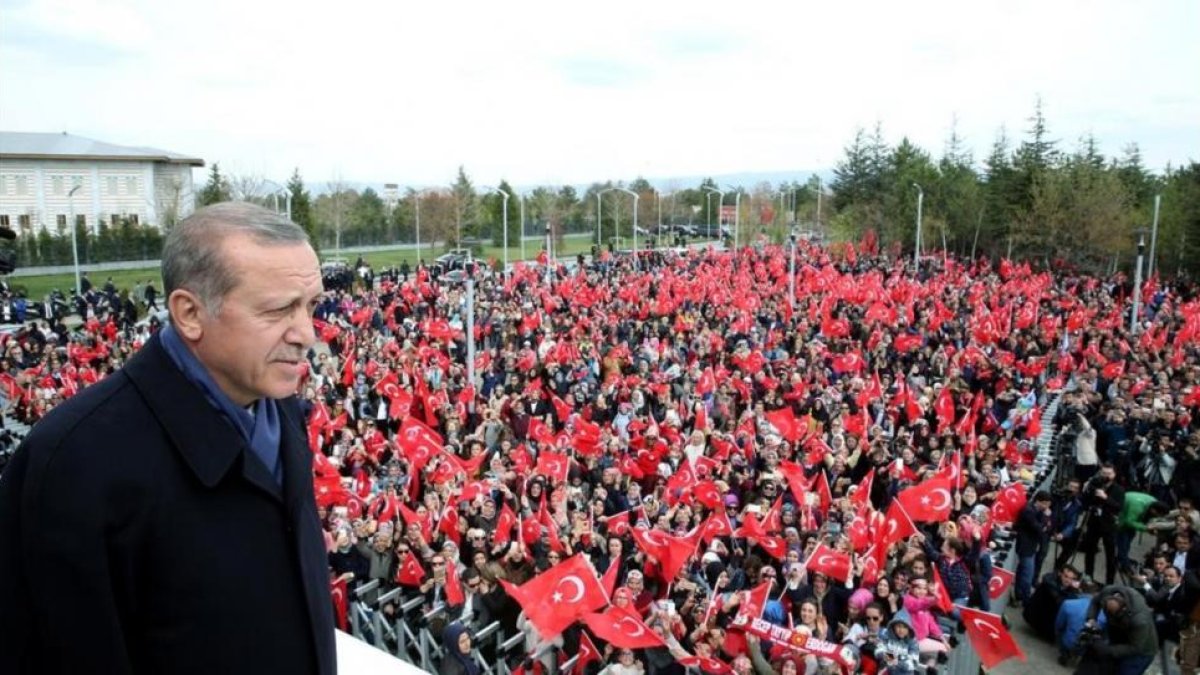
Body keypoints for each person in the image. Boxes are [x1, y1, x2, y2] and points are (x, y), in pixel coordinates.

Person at [0, 202, 334, 674]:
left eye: (311, 305)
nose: (307, 333)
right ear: (190, 313)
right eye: (279, 309)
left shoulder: (275, 403)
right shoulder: (73, 463)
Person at [1083, 585, 1159, 675]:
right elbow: (1095, 602)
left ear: (1124, 609)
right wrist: (1091, 619)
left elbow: (1135, 647)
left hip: (1140, 652)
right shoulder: (1107, 592)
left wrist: (1109, 650)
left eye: (1113, 615)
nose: (1110, 617)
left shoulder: (1139, 620)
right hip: (1120, 635)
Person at [1081, 463, 1126, 585]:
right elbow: (1085, 503)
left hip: (1109, 525)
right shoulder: (1094, 485)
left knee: (1110, 555)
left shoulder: (1119, 490)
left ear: (1114, 474)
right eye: (1103, 473)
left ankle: (1109, 582)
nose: (1106, 476)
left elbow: (1119, 507)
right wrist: (1086, 490)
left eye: (1109, 474)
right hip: (1094, 522)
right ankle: (1088, 575)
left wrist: (1106, 498)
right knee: (1090, 550)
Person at [1014, 490, 1054, 606]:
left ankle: (1019, 595)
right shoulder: (1028, 511)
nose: (1047, 507)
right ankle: (1026, 600)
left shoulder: (1036, 510)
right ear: (1039, 502)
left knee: (1022, 572)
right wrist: (1046, 519)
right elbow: (1040, 529)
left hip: (1031, 545)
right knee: (1027, 575)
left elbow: (1046, 527)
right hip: (1026, 547)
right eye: (1046, 504)